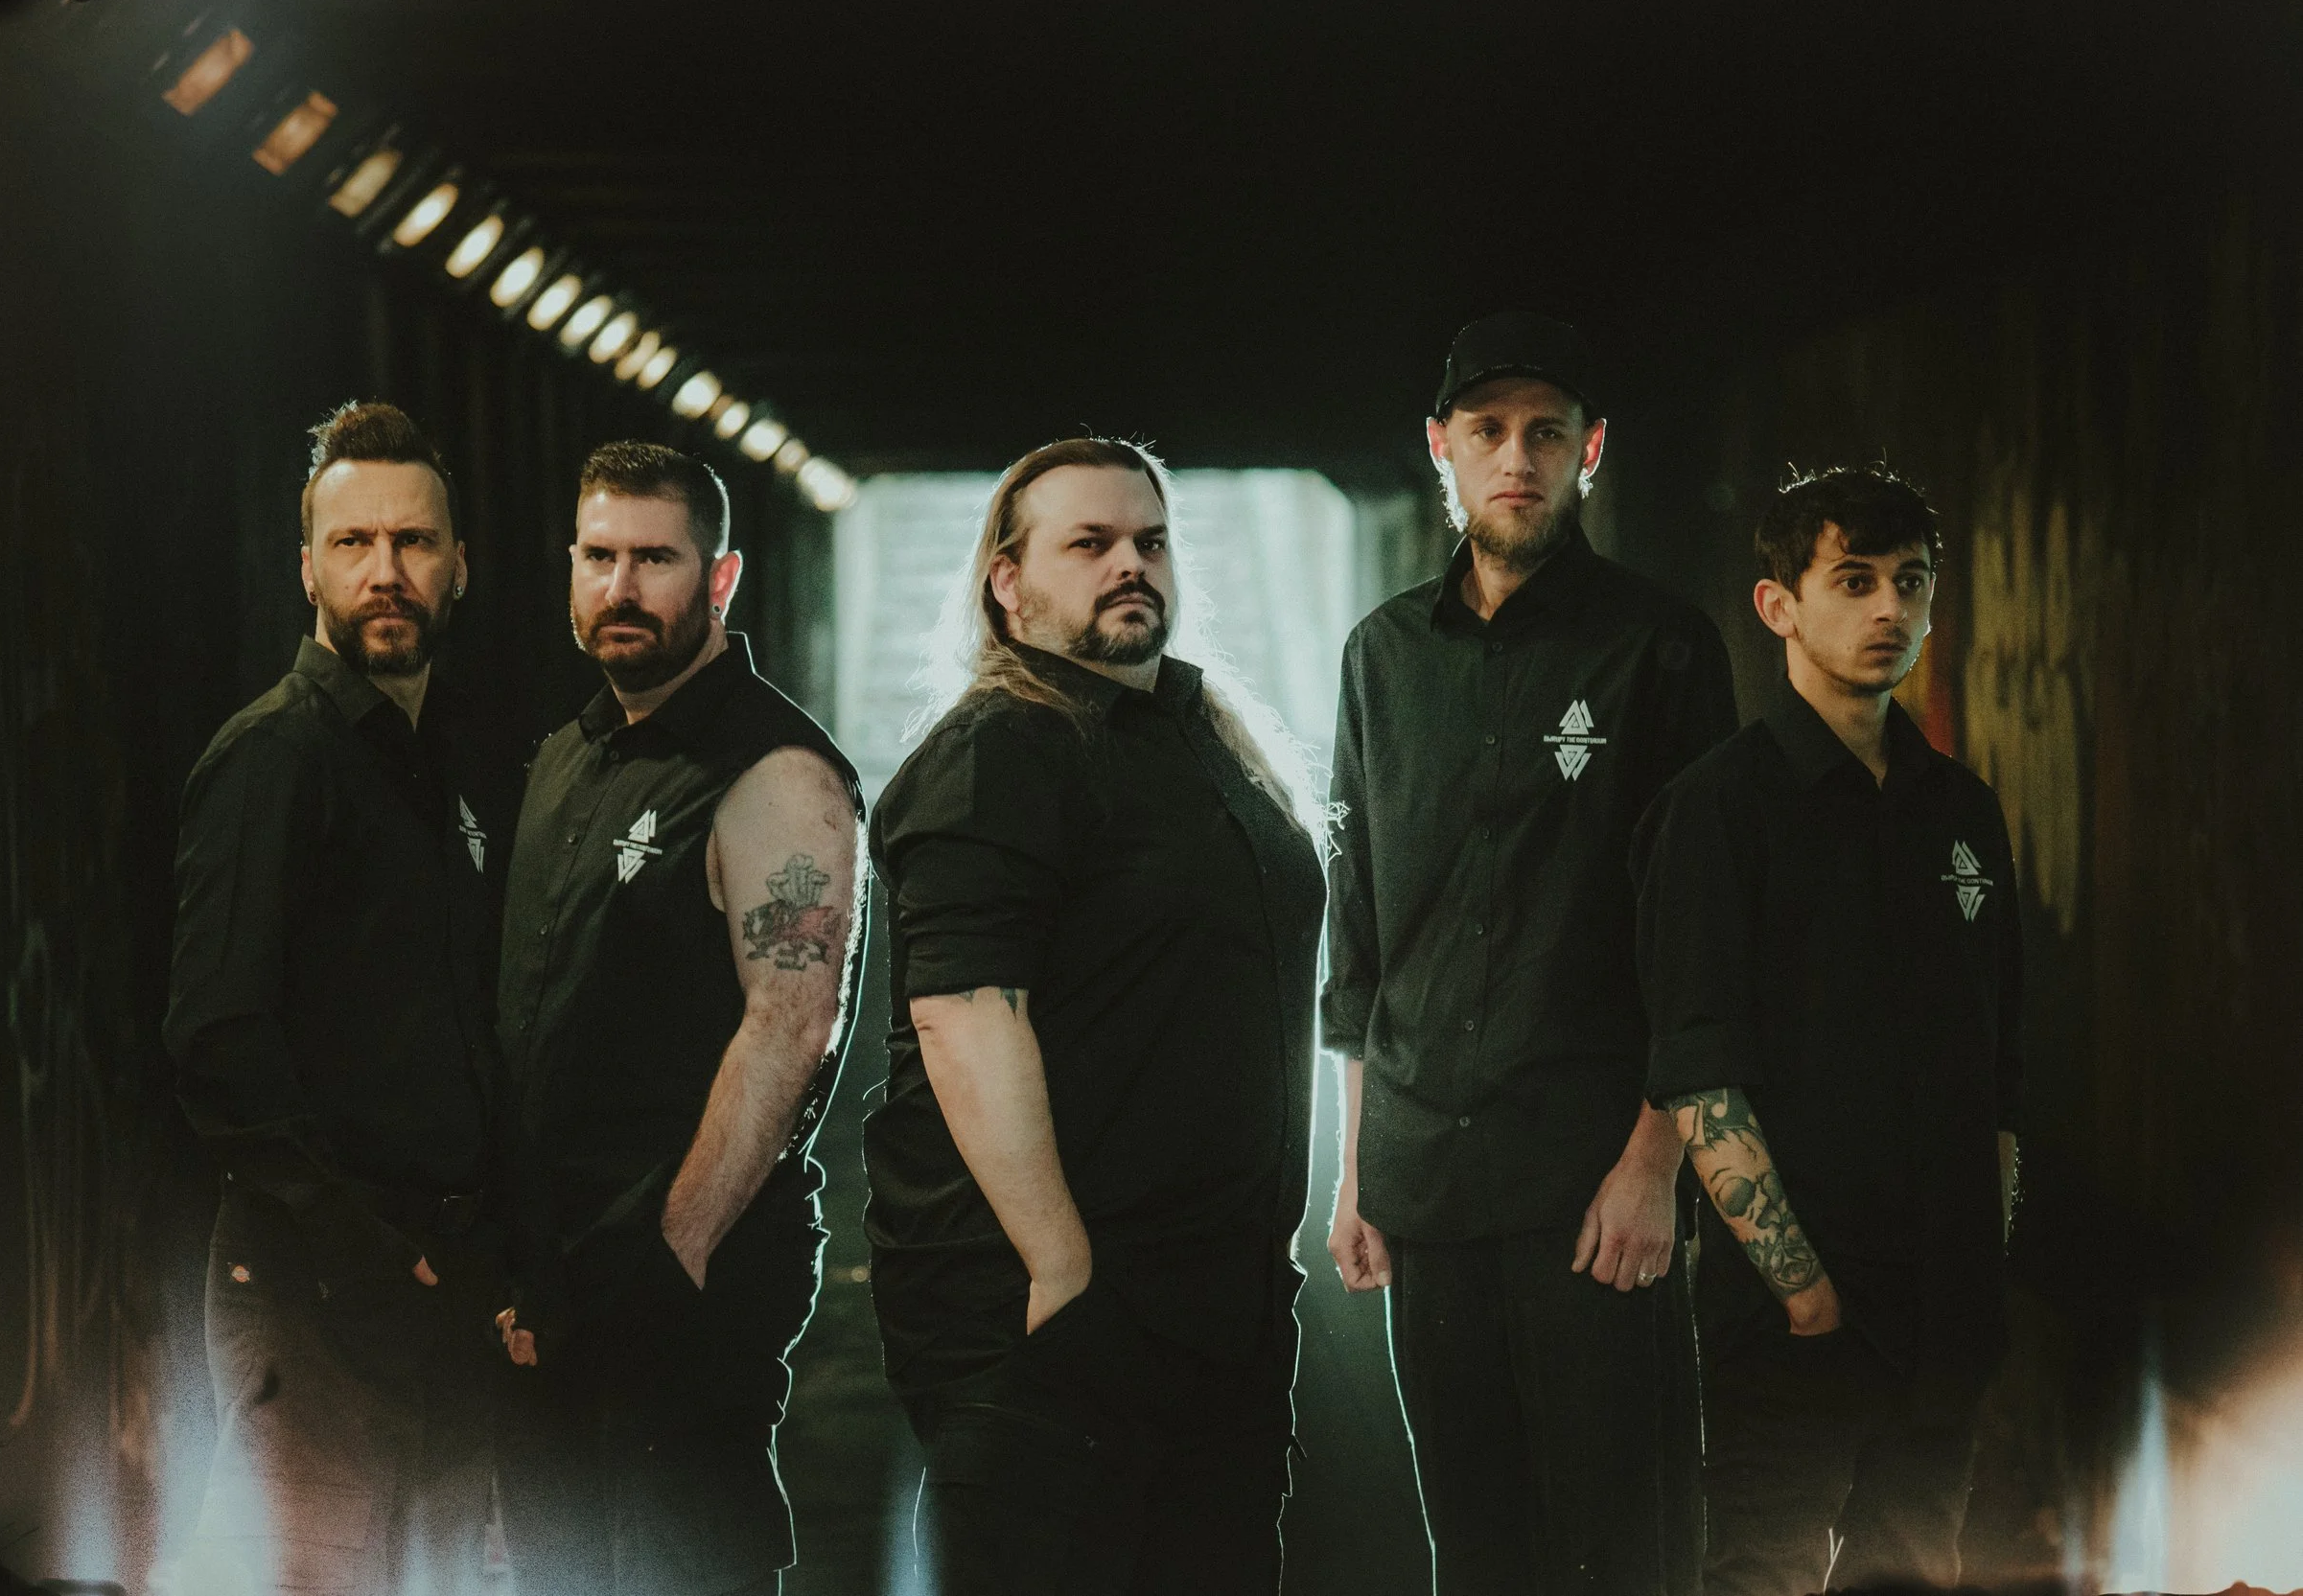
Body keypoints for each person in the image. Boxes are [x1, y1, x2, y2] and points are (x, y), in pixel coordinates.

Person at [863, 438, 1325, 1595]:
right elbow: (964, 1017)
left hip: (1207, 1315)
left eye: (1150, 542)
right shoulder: (1000, 748)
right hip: (1057, 1324)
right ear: (1007, 583)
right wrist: (1061, 1267)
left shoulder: (1195, 737)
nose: (1132, 565)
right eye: (1090, 543)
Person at [1322, 311, 1735, 1593]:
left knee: (1622, 1552)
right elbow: (1360, 928)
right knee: (1477, 1549)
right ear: (1439, 447)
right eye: (1489, 430)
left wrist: (1655, 1166)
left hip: (1592, 1191)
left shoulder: (1662, 647)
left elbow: (1705, 939)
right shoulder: (1382, 656)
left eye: (1546, 433)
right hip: (1427, 1185)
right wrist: (1356, 1168)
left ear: (1588, 451)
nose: (1517, 457)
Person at [1633, 466, 2023, 1594]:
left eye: (1911, 581)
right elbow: (1699, 1074)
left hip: (1941, 1320)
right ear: (1779, 606)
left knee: (1916, 1570)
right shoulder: (1717, 810)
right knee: (1763, 1571)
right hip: (1792, 1326)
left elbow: (2000, 1067)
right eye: (1853, 580)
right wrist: (1802, 1294)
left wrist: (1978, 1264)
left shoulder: (1962, 810)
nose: (1889, 607)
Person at [490, 440, 864, 1596]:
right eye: (598, 556)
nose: (620, 586)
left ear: (721, 578)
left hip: (675, 1285)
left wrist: (673, 1253)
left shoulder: (776, 773)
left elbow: (792, 1025)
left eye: (654, 559)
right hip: (554, 1285)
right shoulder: (569, 755)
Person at [164, 400, 507, 1596]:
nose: (385, 571)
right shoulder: (276, 757)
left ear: (459, 566)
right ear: (308, 567)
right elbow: (217, 1040)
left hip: (439, 1279)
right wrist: (360, 1252)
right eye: (353, 543)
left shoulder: (444, 763)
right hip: (318, 1282)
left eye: (413, 542)